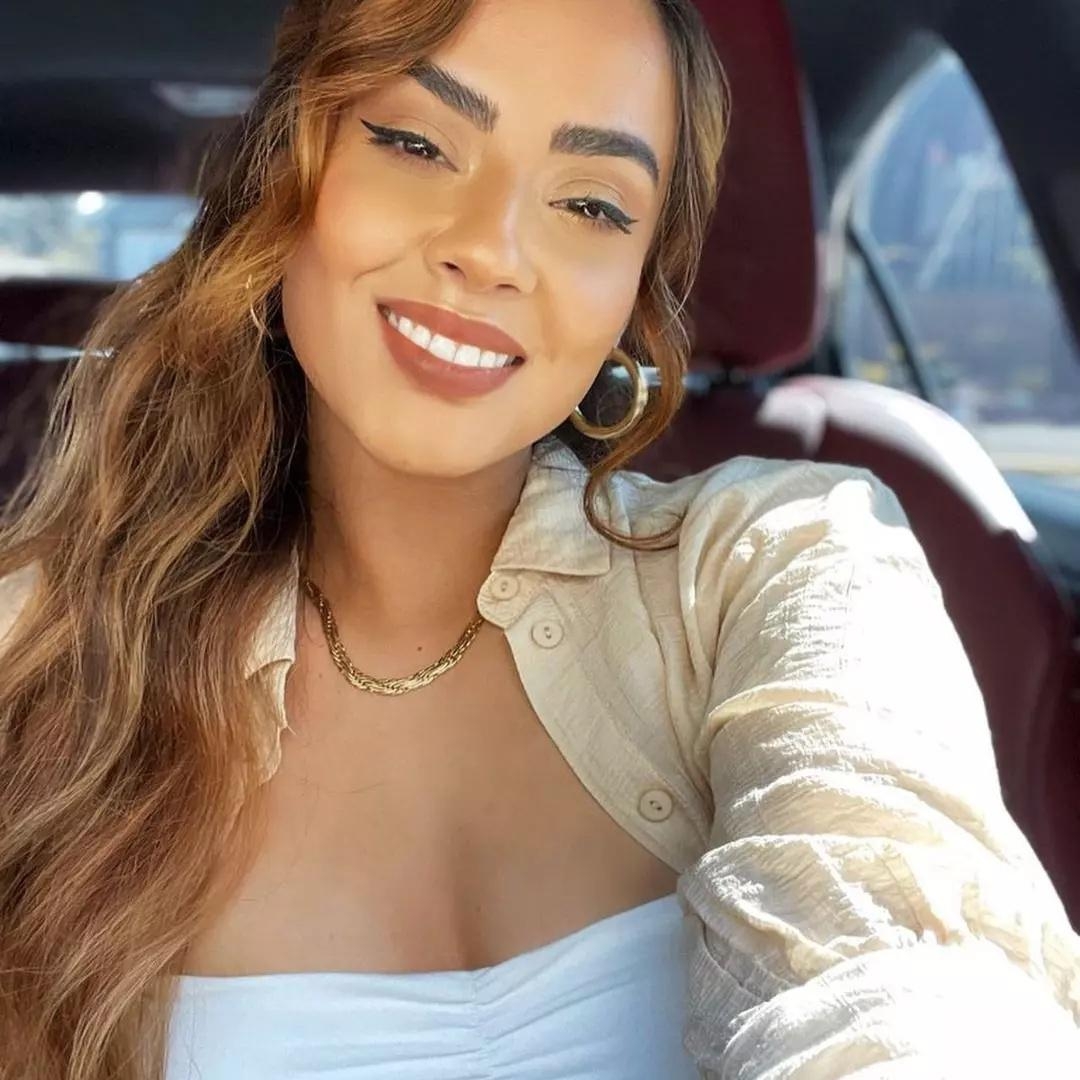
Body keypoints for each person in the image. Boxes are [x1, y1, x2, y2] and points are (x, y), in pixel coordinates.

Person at [1, 0, 1078, 1077]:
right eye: (416, 144)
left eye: (592, 205)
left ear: (636, 291)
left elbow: (908, 959)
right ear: (287, 174)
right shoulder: (40, 649)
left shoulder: (784, 563)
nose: (491, 251)